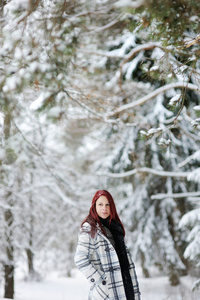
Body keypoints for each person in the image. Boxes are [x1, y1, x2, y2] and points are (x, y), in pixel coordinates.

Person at [74, 190, 141, 300]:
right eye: (100, 204)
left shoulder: (116, 228)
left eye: (107, 205)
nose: (104, 208)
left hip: (127, 289)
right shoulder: (89, 229)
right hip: (107, 293)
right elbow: (80, 259)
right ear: (94, 206)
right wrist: (102, 282)